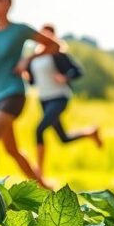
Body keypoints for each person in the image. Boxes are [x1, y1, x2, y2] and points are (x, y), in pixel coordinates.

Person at [0, 0, 60, 183]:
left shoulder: (20, 30)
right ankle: (44, 187)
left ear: (9, 4)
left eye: (0, 0)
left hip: (14, 93)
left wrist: (28, 59)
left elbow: (54, 45)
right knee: (12, 150)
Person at [26, 24, 102, 180]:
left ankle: (39, 173)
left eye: (48, 36)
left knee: (39, 130)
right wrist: (26, 75)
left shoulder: (58, 54)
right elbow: (33, 81)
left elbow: (77, 70)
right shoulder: (34, 57)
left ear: (53, 37)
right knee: (63, 139)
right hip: (44, 99)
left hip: (59, 97)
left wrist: (65, 77)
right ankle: (90, 133)